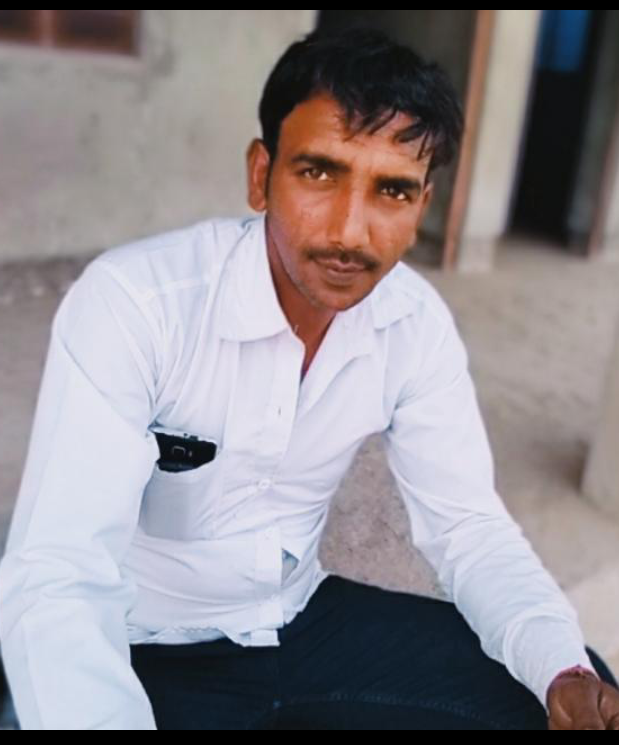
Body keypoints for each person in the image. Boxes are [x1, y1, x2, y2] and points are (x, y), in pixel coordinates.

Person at [1, 25, 618, 730]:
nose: (351, 231)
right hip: (146, 642)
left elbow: (469, 527)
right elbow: (61, 573)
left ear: (421, 205)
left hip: (297, 623)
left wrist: (560, 668)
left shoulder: (412, 325)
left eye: (391, 190)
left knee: (569, 692)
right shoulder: (137, 305)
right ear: (260, 175)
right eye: (319, 173)